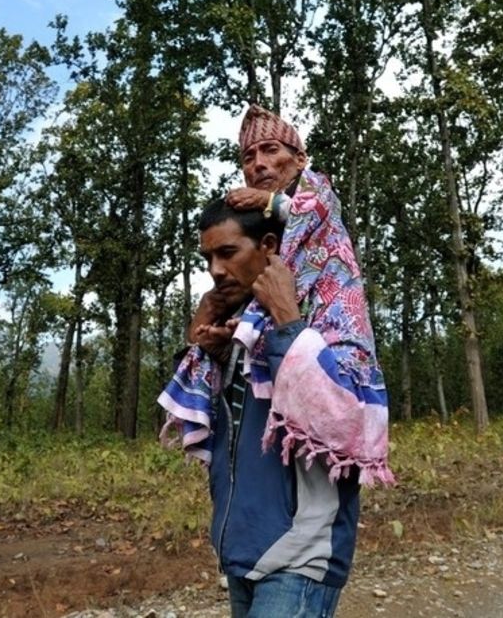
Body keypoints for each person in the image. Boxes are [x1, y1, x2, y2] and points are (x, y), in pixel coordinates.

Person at [159, 104, 392, 618]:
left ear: (298, 157)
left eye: (271, 150)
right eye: (248, 156)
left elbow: (348, 417)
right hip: (242, 550)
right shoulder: (249, 306)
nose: (259, 163)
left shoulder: (317, 211)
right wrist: (208, 346)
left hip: (301, 553)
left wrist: (288, 320)